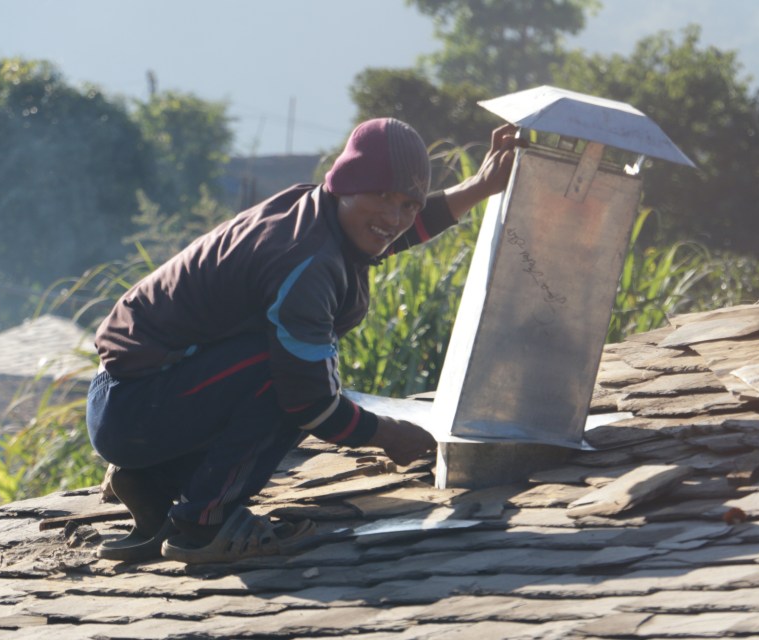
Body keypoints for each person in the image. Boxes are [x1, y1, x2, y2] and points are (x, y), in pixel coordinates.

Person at [86, 118, 519, 563]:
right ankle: (205, 524)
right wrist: (388, 434)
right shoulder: (306, 264)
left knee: (288, 369)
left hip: (133, 398)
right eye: (382, 196)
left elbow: (388, 230)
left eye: (407, 203)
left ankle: (155, 481)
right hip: (134, 409)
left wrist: (480, 186)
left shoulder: (318, 213)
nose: (394, 216)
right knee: (289, 380)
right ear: (346, 184)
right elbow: (310, 404)